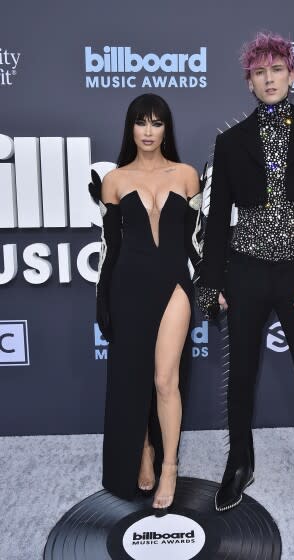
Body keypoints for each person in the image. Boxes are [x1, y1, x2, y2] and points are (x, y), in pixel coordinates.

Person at [198, 32, 294, 525]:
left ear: (292, 74)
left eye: (276, 69)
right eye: (259, 72)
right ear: (249, 81)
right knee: (240, 375)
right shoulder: (230, 141)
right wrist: (211, 281)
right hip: (243, 272)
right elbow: (217, 216)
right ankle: (239, 462)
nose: (269, 79)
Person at [89, 93, 200, 509]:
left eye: (157, 123)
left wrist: (207, 286)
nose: (149, 131)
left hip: (174, 284)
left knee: (164, 379)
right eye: (141, 123)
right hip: (128, 285)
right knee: (133, 379)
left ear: (166, 128)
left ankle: (170, 465)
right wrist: (103, 298)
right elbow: (109, 248)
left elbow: (197, 243)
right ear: (131, 128)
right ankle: (145, 451)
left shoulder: (188, 175)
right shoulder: (114, 181)